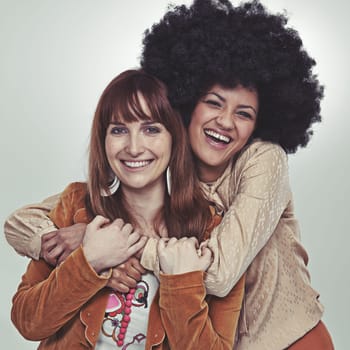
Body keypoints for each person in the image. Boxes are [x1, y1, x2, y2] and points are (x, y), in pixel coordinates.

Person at [5, 0, 334, 349]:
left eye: (244, 113)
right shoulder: (163, 163)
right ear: (186, 104)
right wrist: (83, 252)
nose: (224, 121)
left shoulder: (262, 161)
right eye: (213, 102)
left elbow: (219, 274)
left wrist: (111, 244)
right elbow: (26, 219)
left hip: (289, 340)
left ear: (259, 124)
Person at [9, 69, 245, 349]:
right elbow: (27, 321)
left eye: (151, 129)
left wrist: (180, 283)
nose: (134, 147)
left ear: (175, 138)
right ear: (103, 140)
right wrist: (89, 262)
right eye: (119, 130)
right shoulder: (76, 206)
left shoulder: (211, 230)